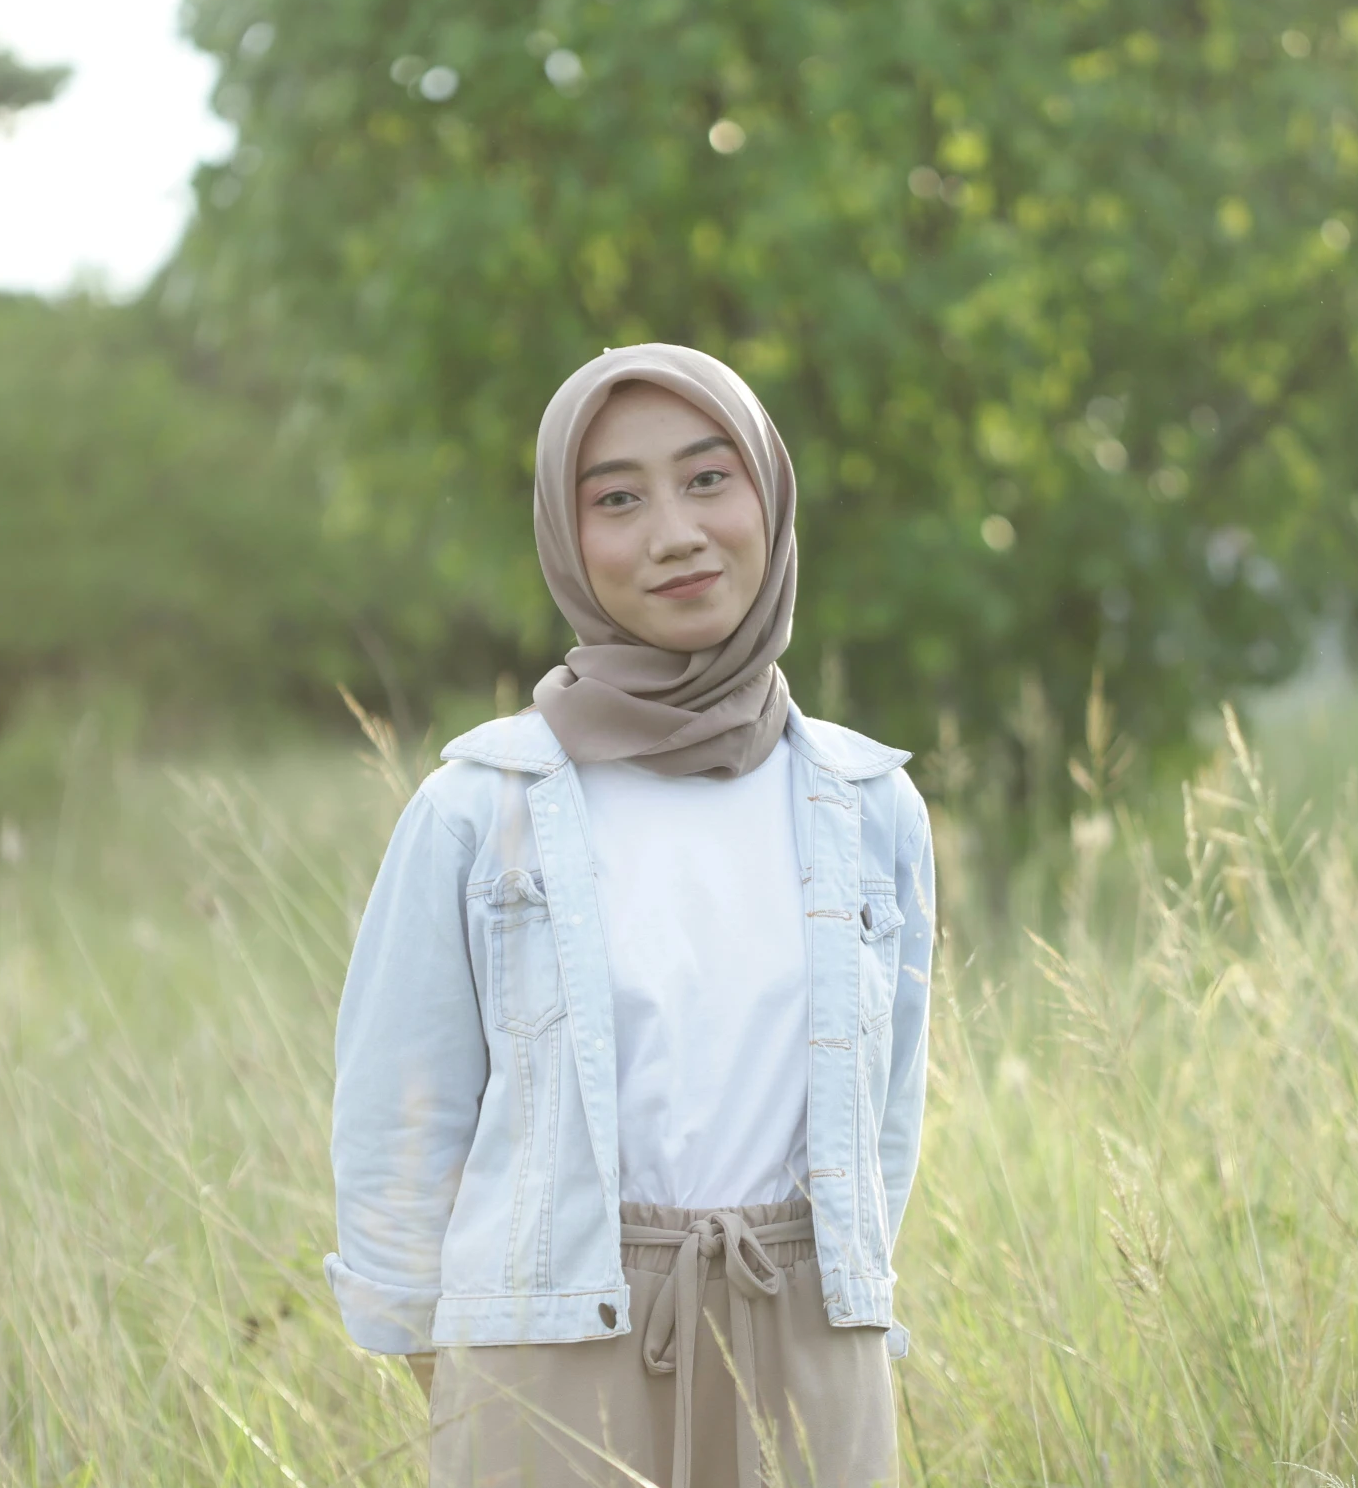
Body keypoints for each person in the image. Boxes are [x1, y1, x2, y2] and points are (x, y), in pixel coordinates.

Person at [325, 343, 937, 1487]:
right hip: (555, 1345)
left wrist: (841, 1301)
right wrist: (460, 1378)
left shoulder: (869, 805)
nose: (674, 532)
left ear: (770, 491)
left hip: (810, 1341)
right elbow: (397, 1120)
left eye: (709, 478)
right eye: (617, 497)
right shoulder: (482, 806)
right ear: (566, 535)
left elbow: (887, 1110)